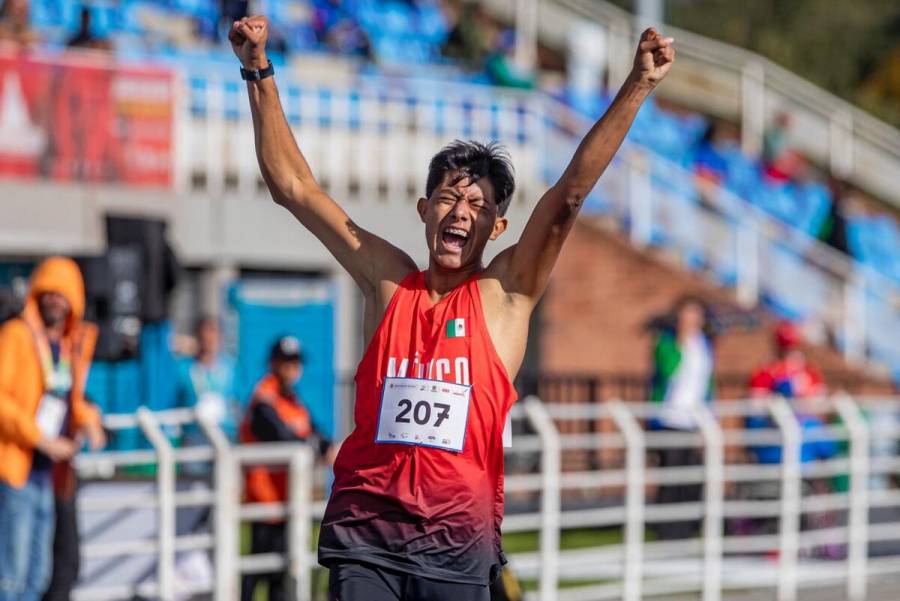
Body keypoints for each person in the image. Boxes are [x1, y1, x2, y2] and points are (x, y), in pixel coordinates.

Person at [229, 14, 674, 600]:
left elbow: (568, 197)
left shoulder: (505, 294)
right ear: (423, 209)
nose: (460, 212)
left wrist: (637, 85)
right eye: (448, 198)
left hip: (456, 547)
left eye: (477, 204)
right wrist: (257, 69)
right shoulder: (387, 282)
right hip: (369, 537)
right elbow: (294, 188)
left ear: (497, 225)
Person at [0, 257, 102, 601]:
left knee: (38, 576)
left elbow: (69, 397)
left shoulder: (71, 345)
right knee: (10, 578)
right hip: (16, 472)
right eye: (48, 293)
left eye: (62, 295)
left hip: (49, 476)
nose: (55, 300)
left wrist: (89, 421)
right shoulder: (16, 335)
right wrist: (39, 439)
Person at [239, 336, 333, 601]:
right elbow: (281, 434)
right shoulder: (264, 398)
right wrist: (315, 447)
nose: (293, 367)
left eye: (295, 362)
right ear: (273, 363)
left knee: (282, 574)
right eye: (287, 362)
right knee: (257, 573)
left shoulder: (292, 398)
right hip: (266, 500)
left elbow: (312, 432)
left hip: (288, 500)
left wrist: (324, 446)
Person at [648, 295, 715, 540]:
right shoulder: (666, 343)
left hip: (692, 419)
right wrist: (680, 342)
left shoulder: (704, 344)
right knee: (671, 475)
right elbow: (669, 370)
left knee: (691, 475)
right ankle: (666, 530)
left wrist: (708, 417)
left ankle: (687, 528)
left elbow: (706, 383)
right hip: (669, 418)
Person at [42, 398, 106, 601]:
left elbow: (74, 399)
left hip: (59, 475)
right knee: (27, 571)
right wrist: (42, 441)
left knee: (66, 563)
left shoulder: (66, 369)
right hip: (28, 476)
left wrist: (88, 417)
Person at [174, 316, 238, 446]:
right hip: (194, 437)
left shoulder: (231, 369)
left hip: (225, 435)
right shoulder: (184, 369)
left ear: (221, 338)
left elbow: (240, 402)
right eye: (205, 336)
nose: (209, 340)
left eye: (213, 334)